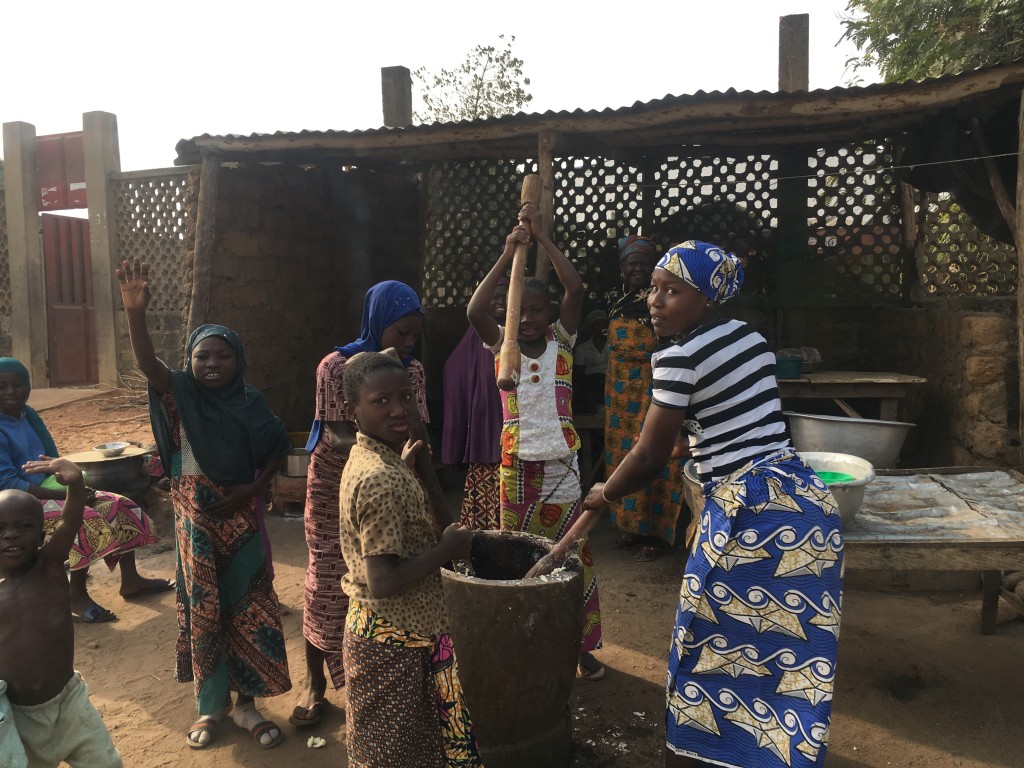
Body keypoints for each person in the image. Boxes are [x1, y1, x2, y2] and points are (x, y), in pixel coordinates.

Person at [534, 240, 843, 768]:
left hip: (751, 515)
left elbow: (650, 455)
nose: (655, 300)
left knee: (708, 641)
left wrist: (605, 492)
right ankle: (779, 752)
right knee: (784, 656)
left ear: (707, 301)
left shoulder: (676, 356)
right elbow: (735, 419)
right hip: (803, 500)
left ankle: (712, 755)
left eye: (672, 291)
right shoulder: (751, 338)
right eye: (654, 288)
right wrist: (692, 440)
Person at [117, 258, 291, 751]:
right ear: (189, 362)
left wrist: (253, 491)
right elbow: (150, 365)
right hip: (195, 521)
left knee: (249, 607)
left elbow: (278, 450)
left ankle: (248, 706)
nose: (212, 365)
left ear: (238, 360)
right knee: (204, 611)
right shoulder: (180, 394)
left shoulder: (251, 402)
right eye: (202, 357)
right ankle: (212, 706)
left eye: (222, 356)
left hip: (239, 518)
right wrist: (135, 314)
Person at [467, 203, 604, 681]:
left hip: (562, 464)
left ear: (549, 315)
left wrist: (541, 237)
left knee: (569, 551)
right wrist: (509, 255)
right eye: (517, 311)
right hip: (515, 466)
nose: (526, 319)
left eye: (536, 310)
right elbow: (475, 309)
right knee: (516, 551)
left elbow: (576, 288)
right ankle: (522, 639)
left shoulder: (563, 341)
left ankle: (580, 645)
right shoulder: (499, 346)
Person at [294, 279, 428, 727]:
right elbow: (334, 432)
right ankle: (314, 683)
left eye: (413, 335)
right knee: (327, 583)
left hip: (391, 485)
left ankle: (363, 679)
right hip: (338, 484)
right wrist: (386, 451)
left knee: (379, 582)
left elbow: (418, 427)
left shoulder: (413, 371)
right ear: (378, 321)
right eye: (400, 332)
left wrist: (412, 465)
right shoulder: (336, 367)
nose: (407, 343)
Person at [338, 351, 481, 767]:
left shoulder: (379, 459)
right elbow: (383, 579)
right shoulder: (379, 478)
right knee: (396, 755)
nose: (399, 410)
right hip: (395, 637)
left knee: (409, 749)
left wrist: (408, 471)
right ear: (353, 412)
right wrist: (446, 551)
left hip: (393, 630)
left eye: (406, 397)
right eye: (381, 401)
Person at [0, 357, 172, 624]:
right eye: (2, 386)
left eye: (18, 384)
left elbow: (50, 461)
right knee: (84, 520)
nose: (11, 392)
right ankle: (76, 594)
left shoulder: (28, 416)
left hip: (47, 488)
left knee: (119, 505)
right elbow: (8, 483)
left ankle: (131, 580)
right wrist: (70, 494)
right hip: (14, 505)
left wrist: (75, 485)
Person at [0, 457, 122, 767]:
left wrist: (76, 484)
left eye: (24, 527)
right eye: (0, 529)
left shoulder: (49, 567)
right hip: (16, 716)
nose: (11, 535)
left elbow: (70, 522)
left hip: (69, 703)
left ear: (42, 537)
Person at [604, 235, 688, 562]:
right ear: (622, 267)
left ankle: (657, 534)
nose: (636, 269)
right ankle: (631, 527)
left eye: (643, 264)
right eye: (631, 263)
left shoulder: (657, 298)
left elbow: (673, 337)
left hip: (653, 382)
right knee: (621, 453)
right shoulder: (616, 296)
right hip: (618, 388)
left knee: (654, 452)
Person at [442, 278, 507, 530]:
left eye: (506, 296)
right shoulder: (480, 332)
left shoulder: (520, 331)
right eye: (496, 296)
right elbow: (454, 367)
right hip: (487, 419)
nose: (500, 302)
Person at [572, 308, 608, 414]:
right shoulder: (582, 348)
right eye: (597, 325)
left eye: (604, 324)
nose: (601, 328)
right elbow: (579, 373)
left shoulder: (614, 346)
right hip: (591, 383)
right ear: (591, 327)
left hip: (610, 380)